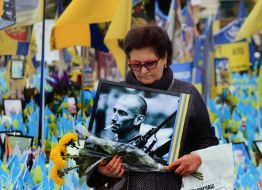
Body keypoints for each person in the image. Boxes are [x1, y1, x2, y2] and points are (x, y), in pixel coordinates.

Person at [87, 24, 219, 190]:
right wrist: (102, 170)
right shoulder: (113, 91)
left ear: (165, 59)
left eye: (150, 63)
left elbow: (209, 141)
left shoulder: (187, 93)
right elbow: (91, 163)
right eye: (136, 64)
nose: (143, 71)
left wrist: (197, 157)